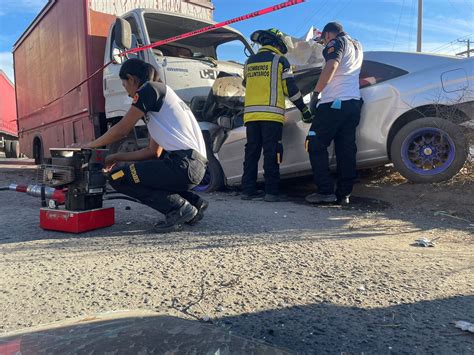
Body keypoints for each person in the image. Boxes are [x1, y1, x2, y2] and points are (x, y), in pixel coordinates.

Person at [81, 58, 208, 232]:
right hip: (192, 167)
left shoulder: (149, 89)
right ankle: (193, 203)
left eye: (125, 86)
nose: (127, 93)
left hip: (183, 165)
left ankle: (177, 208)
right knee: (141, 172)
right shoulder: (162, 101)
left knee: (118, 177)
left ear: (132, 79)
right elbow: (152, 152)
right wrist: (115, 157)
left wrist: (91, 145)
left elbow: (122, 129)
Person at [242, 28, 312, 202]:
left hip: (251, 116)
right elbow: (291, 89)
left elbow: (246, 84)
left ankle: (248, 190)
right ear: (276, 44)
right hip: (271, 116)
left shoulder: (249, 62)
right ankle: (271, 192)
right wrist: (303, 108)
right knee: (271, 153)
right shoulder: (280, 61)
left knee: (251, 152)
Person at [305, 22, 363, 205]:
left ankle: (325, 191)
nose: (324, 43)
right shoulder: (358, 45)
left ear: (328, 35)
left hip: (334, 102)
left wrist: (315, 95)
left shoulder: (336, 43)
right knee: (345, 149)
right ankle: (344, 194)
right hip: (353, 103)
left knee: (314, 143)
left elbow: (330, 67)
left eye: (324, 40)